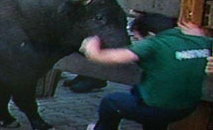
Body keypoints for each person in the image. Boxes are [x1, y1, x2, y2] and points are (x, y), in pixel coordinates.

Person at [80, 21, 212, 130]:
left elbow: (104, 57)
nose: (137, 42)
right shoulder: (201, 41)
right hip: (187, 107)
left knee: (111, 102)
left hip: (159, 109)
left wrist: (91, 47)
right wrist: (201, 34)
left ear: (150, 34)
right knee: (141, 92)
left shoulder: (154, 44)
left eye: (137, 38)